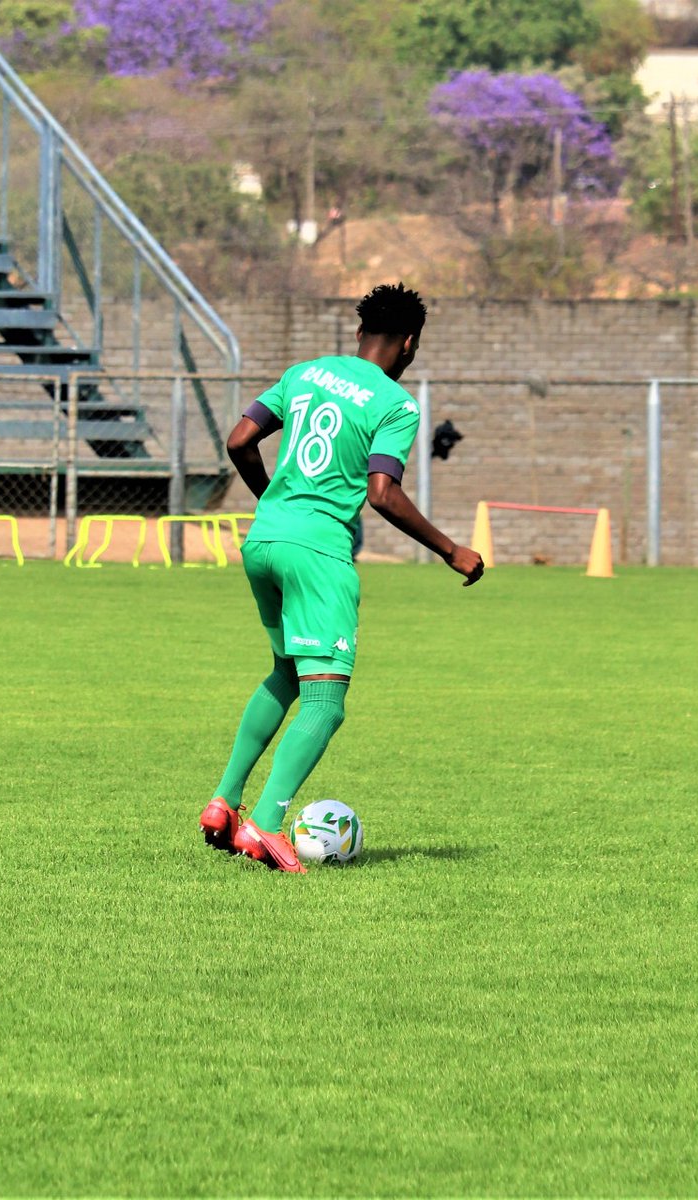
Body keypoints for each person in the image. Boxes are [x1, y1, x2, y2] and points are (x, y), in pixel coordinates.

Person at [198, 283, 485, 873]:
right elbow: (383, 493)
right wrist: (451, 549)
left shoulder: (304, 373)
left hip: (264, 540)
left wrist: (275, 503)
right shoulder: (396, 405)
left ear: (359, 333)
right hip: (318, 552)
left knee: (286, 671)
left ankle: (223, 802)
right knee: (326, 703)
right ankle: (266, 825)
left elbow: (239, 441)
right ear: (410, 344)